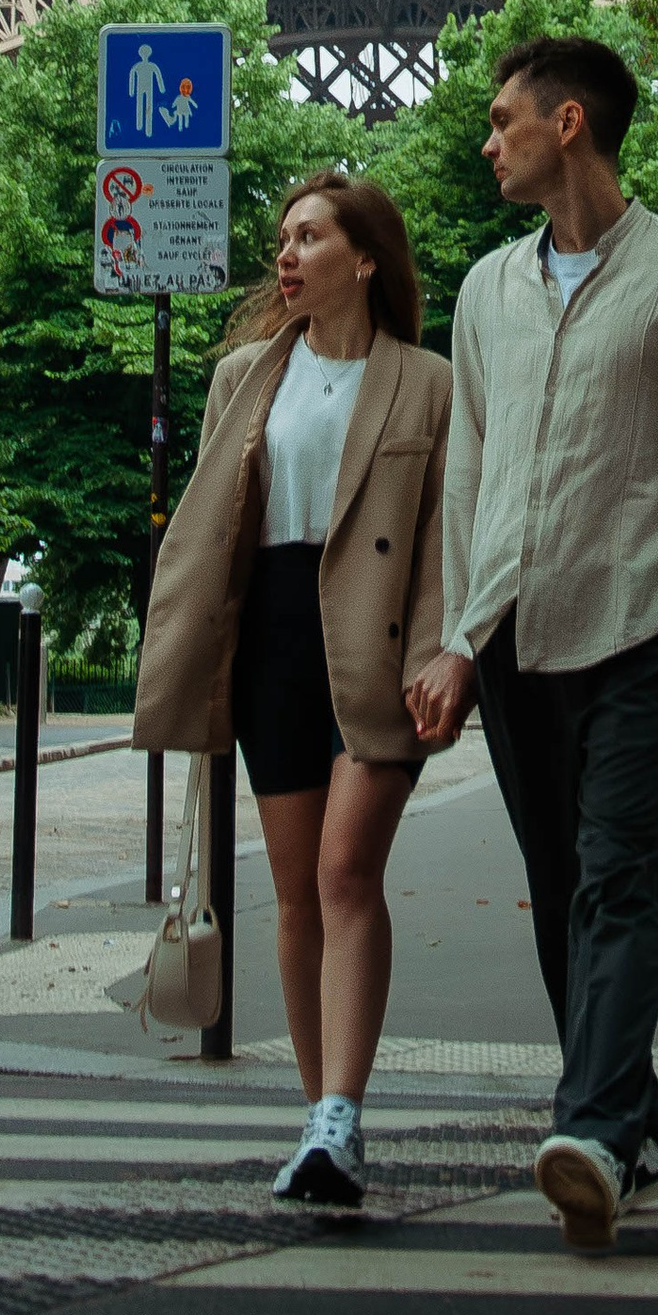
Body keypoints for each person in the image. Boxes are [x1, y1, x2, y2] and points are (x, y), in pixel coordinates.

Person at [406, 33, 658, 1253]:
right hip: (514, 631)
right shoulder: (481, 293)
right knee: (566, 888)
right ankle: (640, 1123)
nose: (486, 137)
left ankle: (592, 1131)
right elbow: (469, 473)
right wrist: (457, 636)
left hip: (638, 616)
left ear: (568, 123)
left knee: (620, 875)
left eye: (502, 116)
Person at [133, 174, 450, 1209]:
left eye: (309, 236)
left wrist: (445, 653)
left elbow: (445, 540)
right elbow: (215, 529)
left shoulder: (426, 383)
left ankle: (340, 1113)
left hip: (375, 639)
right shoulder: (242, 379)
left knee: (347, 871)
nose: (286, 253)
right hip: (272, 633)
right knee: (295, 891)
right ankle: (323, 1122)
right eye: (282, 238)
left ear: (363, 259)